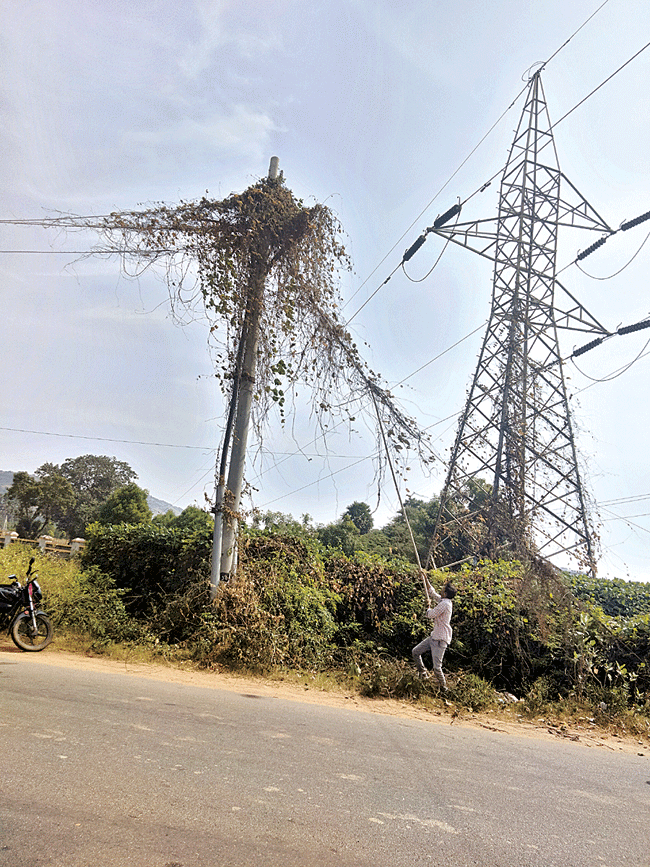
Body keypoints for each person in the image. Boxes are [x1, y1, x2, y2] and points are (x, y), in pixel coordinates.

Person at [411, 573, 456, 690]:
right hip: (434, 637)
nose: (441, 590)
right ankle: (423, 673)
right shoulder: (444, 601)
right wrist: (425, 579)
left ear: (445, 593)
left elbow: (430, 614)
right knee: (415, 652)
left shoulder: (445, 605)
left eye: (443, 589)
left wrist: (428, 606)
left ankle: (444, 688)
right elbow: (432, 592)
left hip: (440, 640)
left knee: (437, 668)